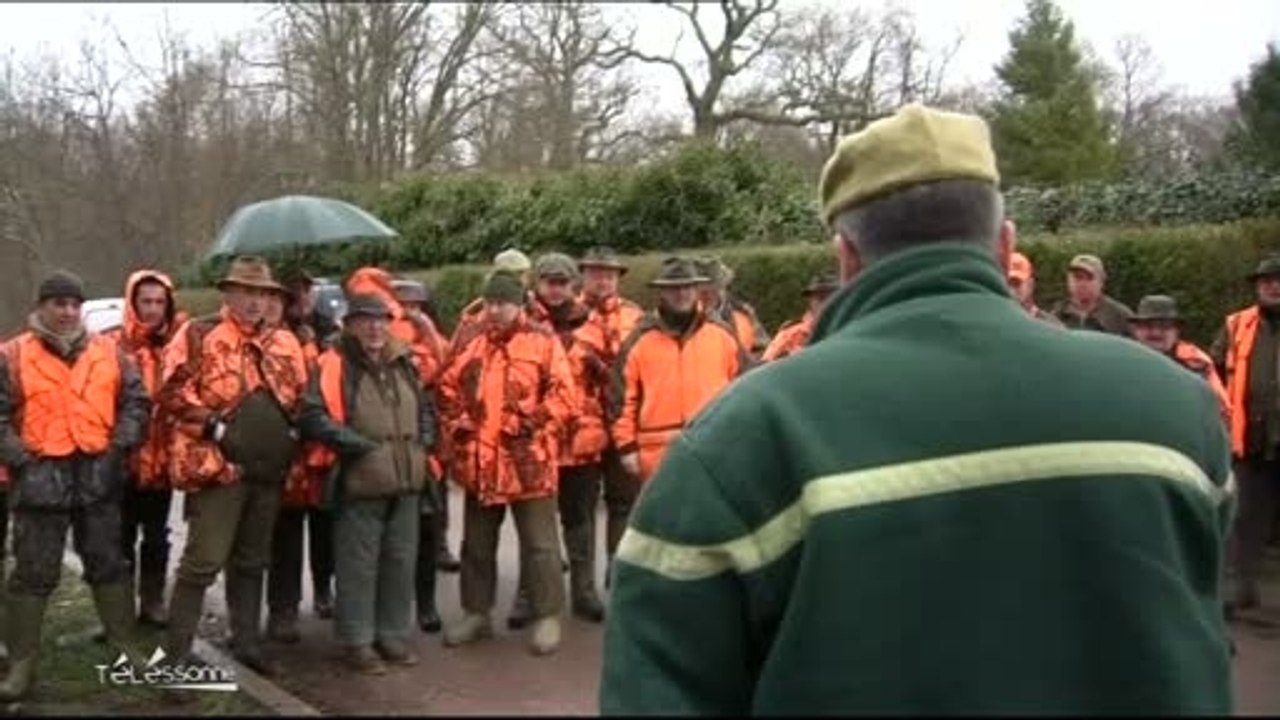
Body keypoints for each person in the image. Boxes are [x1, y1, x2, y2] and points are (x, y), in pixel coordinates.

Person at [599, 103, 1234, 715]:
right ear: (1004, 242)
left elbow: (658, 685)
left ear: (845, 258)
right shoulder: (1177, 405)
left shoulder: (744, 438)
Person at [0, 270, 152, 700]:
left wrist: (118, 447)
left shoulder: (110, 352)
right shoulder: (11, 355)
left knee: (109, 564)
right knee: (32, 574)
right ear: (41, 306)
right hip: (39, 483)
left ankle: (125, 648)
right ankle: (21, 667)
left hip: (98, 477)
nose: (67, 312)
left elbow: (137, 403)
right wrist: (22, 459)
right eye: (58, 303)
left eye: (73, 304)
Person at [159, 256, 309, 677]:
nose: (256, 302)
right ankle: (175, 655)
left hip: (269, 470)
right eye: (247, 292)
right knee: (203, 561)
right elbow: (169, 391)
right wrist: (214, 426)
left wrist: (295, 434)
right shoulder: (199, 333)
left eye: (264, 294)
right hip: (218, 468)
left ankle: (246, 642)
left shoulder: (284, 342)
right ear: (228, 293)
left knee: (252, 559)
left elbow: (301, 396)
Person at [299, 294, 438, 674]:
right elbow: (311, 415)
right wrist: (358, 447)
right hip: (359, 480)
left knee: (400, 560)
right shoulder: (334, 364)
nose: (375, 327)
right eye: (365, 320)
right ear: (350, 324)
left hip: (407, 479)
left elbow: (426, 408)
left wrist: (425, 445)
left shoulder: (404, 361)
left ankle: (391, 635)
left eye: (381, 319)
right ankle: (357, 642)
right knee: (357, 565)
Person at [438, 271, 575, 656]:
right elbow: (445, 388)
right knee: (476, 545)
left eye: (503, 302)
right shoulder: (469, 341)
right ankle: (476, 612)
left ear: (519, 303)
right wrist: (459, 424)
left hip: (529, 462)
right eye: (490, 303)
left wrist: (532, 423)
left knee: (541, 545)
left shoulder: (543, 341)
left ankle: (548, 615)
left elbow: (566, 397)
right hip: (481, 465)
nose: (495, 310)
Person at [608, 257, 750, 538]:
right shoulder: (640, 338)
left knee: (714, 526)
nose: (681, 293)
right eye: (674, 288)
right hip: (657, 454)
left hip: (714, 447)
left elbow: (743, 391)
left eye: (687, 287)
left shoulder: (721, 334)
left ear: (697, 290)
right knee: (662, 530)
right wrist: (626, 449)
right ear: (661, 292)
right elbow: (621, 399)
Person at [101, 270, 186, 629]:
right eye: (145, 301)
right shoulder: (111, 346)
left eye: (159, 302)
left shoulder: (176, 346)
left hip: (162, 458)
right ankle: (119, 611)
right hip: (122, 458)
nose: (152, 309)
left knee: (156, 534)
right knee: (119, 535)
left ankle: (152, 602)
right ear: (132, 303)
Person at [529, 253, 609, 622]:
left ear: (573, 285)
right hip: (536, 443)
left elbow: (616, 381)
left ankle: (584, 592)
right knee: (535, 526)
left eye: (562, 282)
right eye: (549, 282)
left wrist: (602, 368)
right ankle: (530, 593)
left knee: (580, 522)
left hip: (581, 444)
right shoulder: (524, 323)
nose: (556, 289)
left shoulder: (594, 326)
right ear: (537, 284)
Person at [265, 271, 337, 643]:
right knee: (287, 533)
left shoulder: (327, 328)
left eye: (308, 288)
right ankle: (285, 609)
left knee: (326, 526)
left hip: (321, 446)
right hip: (289, 449)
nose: (304, 296)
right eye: (297, 290)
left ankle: (324, 591)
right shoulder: (276, 336)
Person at [1211, 254, 1280, 615]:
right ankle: (1242, 590)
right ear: (1257, 286)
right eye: (1266, 280)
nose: (1273, 285)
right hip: (1249, 441)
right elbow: (1213, 372)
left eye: (1278, 280)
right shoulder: (1236, 325)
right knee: (1244, 517)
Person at [574, 246, 645, 593]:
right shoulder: (566, 315)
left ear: (618, 278)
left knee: (623, 503)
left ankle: (617, 579)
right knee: (580, 508)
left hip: (622, 423)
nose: (602, 279)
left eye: (609, 273)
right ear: (583, 275)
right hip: (581, 427)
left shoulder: (636, 316)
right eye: (595, 272)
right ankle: (582, 586)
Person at [391, 278, 454, 634]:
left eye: (417, 305)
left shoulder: (432, 340)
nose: (410, 311)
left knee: (430, 517)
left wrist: (426, 329)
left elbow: (446, 366)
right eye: (404, 305)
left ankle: (427, 604)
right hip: (394, 435)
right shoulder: (387, 340)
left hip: (427, 430)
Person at [1129, 295, 1229, 422]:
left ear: (1177, 331)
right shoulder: (1124, 360)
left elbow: (1221, 411)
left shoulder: (1197, 363)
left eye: (1164, 327)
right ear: (1136, 330)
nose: (1156, 333)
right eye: (1148, 326)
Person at [694, 256, 770, 357]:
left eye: (712, 285)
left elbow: (765, 351)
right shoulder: (680, 317)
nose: (706, 292)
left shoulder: (744, 312)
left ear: (723, 286)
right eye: (699, 286)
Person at [761, 272, 839, 362]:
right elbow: (765, 365)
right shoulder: (791, 334)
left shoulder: (848, 329)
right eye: (820, 298)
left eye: (831, 297)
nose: (826, 303)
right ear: (810, 301)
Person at [1050, 254, 1133, 334]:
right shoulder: (1056, 315)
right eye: (1077, 277)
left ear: (1101, 282)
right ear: (1068, 280)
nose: (1082, 284)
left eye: (1089, 278)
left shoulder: (1120, 316)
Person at [1007, 251, 1064, 326]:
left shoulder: (1050, 325)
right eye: (1007, 284)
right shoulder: (995, 321)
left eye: (1016, 284)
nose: (1011, 291)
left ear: (1030, 285)